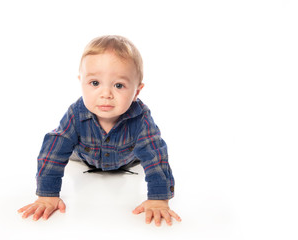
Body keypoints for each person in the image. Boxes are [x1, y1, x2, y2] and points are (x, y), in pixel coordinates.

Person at [18, 35, 181, 226]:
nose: (106, 94)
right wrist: (47, 194)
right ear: (82, 82)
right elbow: (54, 150)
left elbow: (155, 156)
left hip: (128, 159)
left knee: (148, 150)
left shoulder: (141, 118)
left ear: (136, 91)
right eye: (95, 83)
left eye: (119, 85)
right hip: (84, 155)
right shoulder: (76, 114)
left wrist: (159, 198)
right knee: (62, 144)